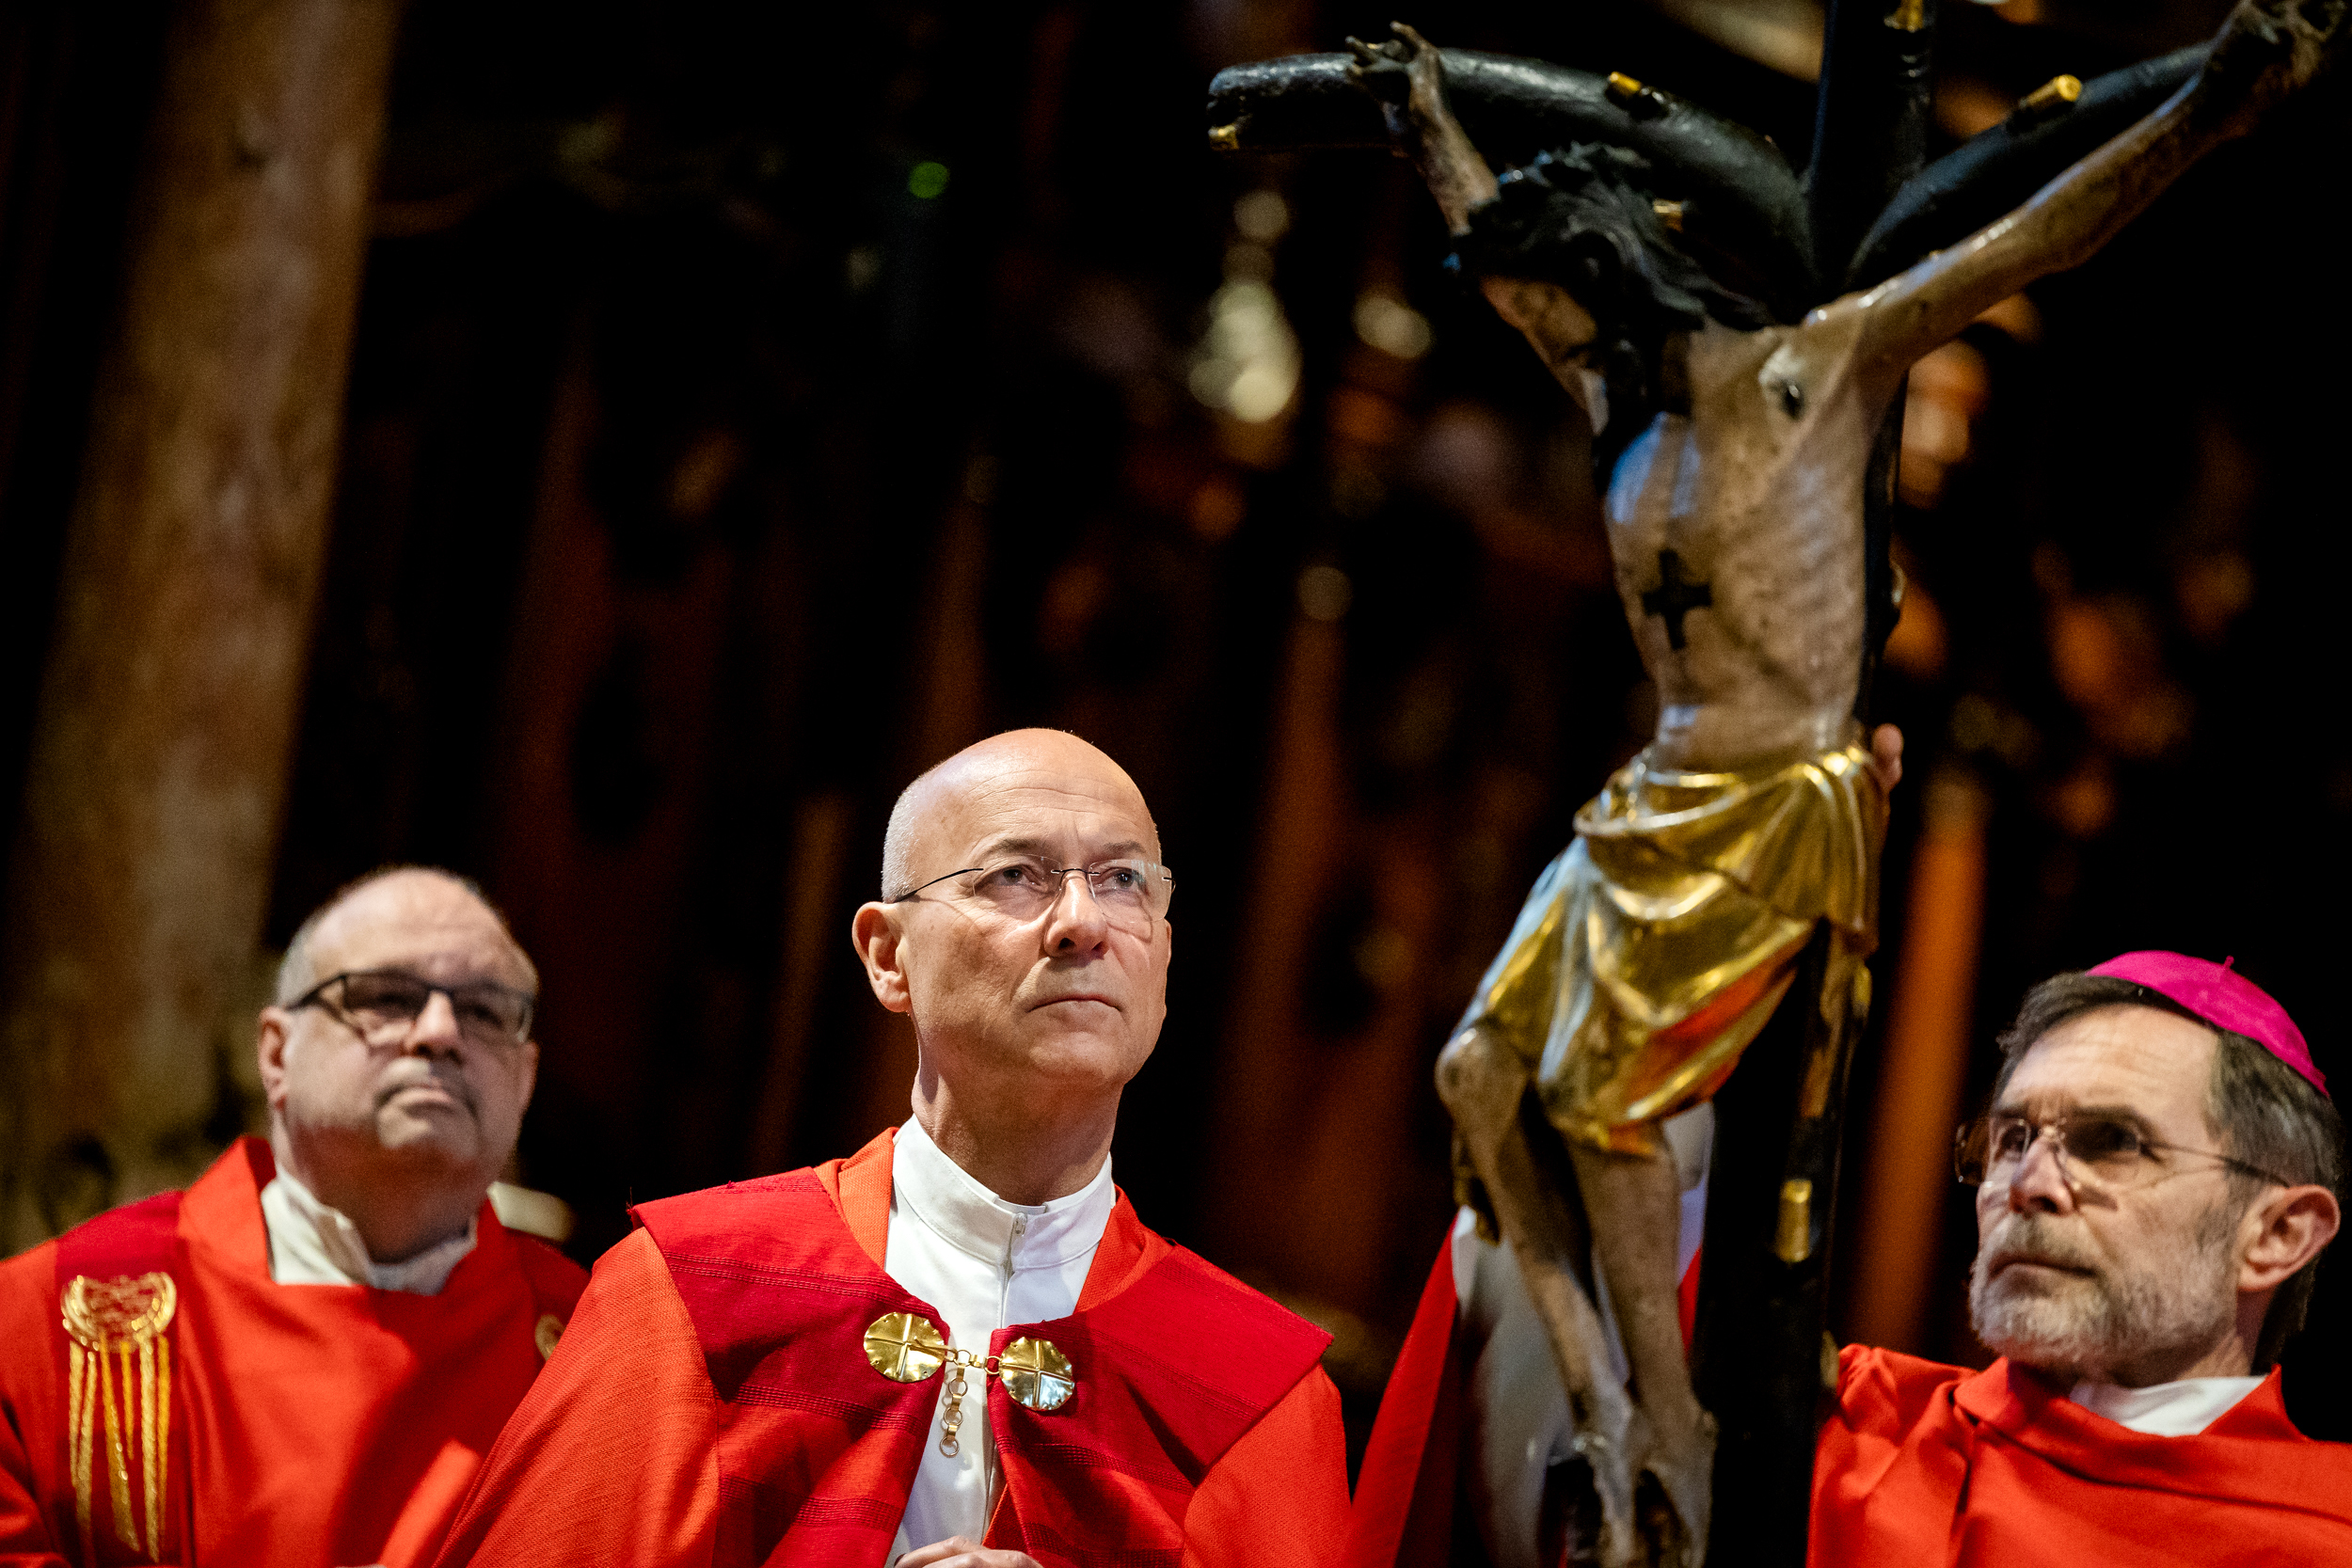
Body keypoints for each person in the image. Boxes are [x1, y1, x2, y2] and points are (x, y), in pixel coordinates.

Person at [433, 728, 1350, 1568]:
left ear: (1164, 957)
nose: (1083, 920)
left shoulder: (1257, 1394)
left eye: (1124, 880)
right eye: (1015, 874)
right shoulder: (693, 1291)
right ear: (887, 955)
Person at [0, 865, 585, 1568]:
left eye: (486, 1012)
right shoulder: (40, 1325)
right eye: (386, 997)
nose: (440, 1033)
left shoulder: (591, 1355)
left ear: (525, 1080)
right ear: (276, 1053)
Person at [1809, 951, 2351, 1561]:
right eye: (2013, 1139)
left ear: (2276, 1235)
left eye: (2115, 1142)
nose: (2028, 1183)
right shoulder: (1837, 1420)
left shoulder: (2331, 1536)